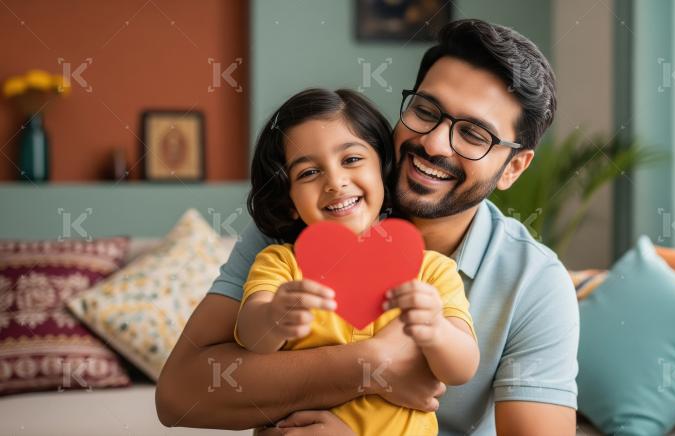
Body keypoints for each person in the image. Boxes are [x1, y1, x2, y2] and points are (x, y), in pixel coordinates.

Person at [157, 19, 579, 435]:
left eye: (473, 134)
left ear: (513, 168)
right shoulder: (310, 218)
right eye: (426, 111)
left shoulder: (535, 283)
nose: (433, 143)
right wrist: (371, 366)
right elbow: (180, 394)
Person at [234, 88, 479, 435]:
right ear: (289, 200)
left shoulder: (432, 270)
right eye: (308, 173)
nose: (335, 182)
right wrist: (274, 316)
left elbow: (462, 368)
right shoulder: (280, 263)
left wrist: (436, 328)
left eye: (351, 160)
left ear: (383, 168)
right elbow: (252, 336)